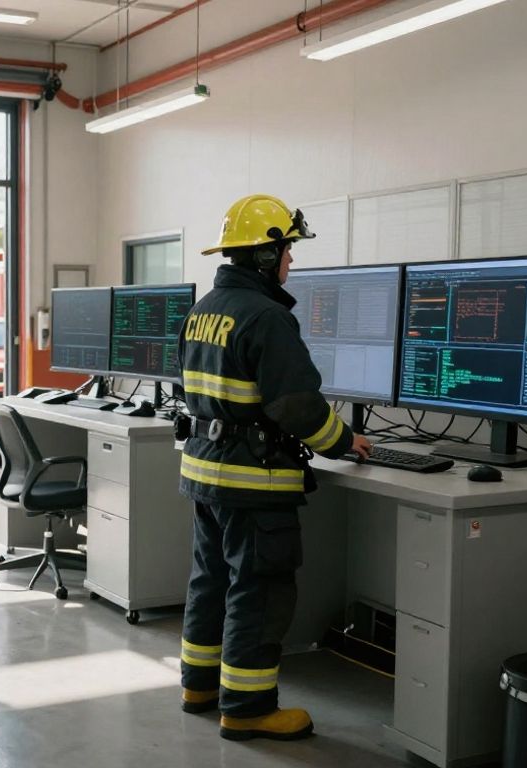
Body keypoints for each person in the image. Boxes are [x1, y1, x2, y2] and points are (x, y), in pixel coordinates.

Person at [175, 194, 372, 740]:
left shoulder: (203, 310)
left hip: (208, 472)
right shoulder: (266, 317)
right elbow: (297, 407)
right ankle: (248, 706)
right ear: (264, 254)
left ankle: (200, 683)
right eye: (286, 249)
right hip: (254, 480)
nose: (291, 261)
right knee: (258, 592)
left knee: (211, 580)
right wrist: (345, 440)